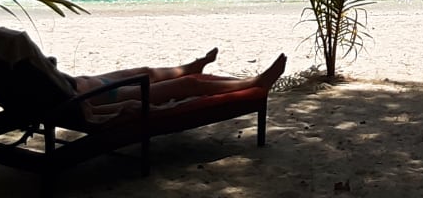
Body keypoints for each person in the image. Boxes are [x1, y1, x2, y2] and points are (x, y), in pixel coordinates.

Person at [69, 49, 287, 120]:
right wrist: (122, 107)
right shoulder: (51, 95)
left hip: (96, 82)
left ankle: (191, 66)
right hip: (112, 95)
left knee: (147, 72)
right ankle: (256, 83)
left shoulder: (39, 76)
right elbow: (90, 112)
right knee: (188, 85)